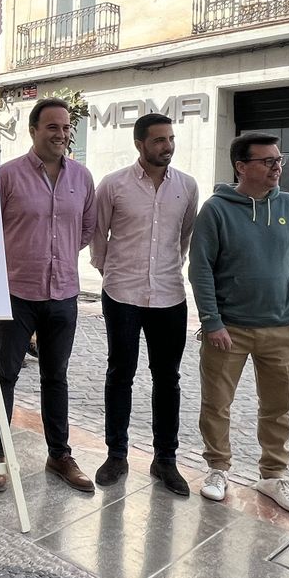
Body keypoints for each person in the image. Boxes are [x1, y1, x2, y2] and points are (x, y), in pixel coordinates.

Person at [188, 133, 289, 516]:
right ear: (241, 167)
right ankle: (217, 469)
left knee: (279, 407)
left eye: (279, 161)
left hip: (284, 328)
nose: (276, 167)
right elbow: (201, 270)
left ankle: (273, 475)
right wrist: (212, 321)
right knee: (217, 404)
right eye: (266, 161)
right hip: (228, 330)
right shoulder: (216, 210)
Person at [0, 98, 96, 494]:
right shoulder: (7, 176)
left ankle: (59, 455)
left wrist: (59, 255)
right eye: (53, 127)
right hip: (17, 293)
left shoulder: (81, 178)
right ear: (33, 130)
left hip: (63, 293)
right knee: (5, 374)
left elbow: (86, 229)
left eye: (66, 128)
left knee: (56, 377)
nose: (62, 134)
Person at [88, 113, 200, 494]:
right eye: (158, 140)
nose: (166, 146)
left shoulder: (187, 186)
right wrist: (110, 272)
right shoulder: (113, 185)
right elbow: (98, 236)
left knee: (167, 378)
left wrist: (168, 268)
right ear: (139, 144)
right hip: (122, 293)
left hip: (169, 295)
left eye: (170, 139)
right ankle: (116, 454)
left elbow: (183, 237)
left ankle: (164, 460)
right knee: (120, 372)